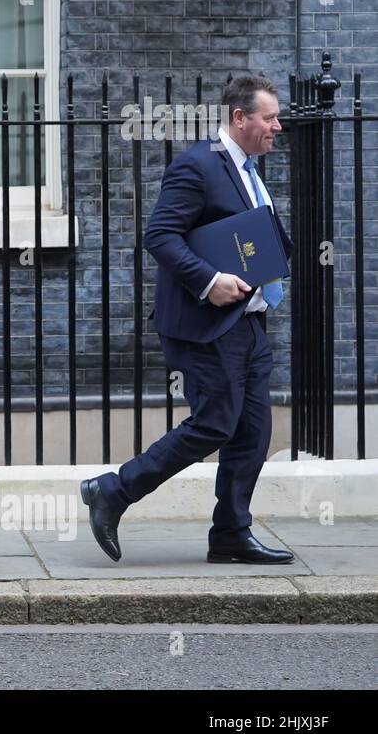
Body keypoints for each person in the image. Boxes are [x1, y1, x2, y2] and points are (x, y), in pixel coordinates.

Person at [81, 75, 295, 565]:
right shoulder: (198, 166)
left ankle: (230, 534)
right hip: (207, 322)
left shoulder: (248, 171)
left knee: (253, 431)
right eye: (269, 117)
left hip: (250, 322)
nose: (277, 127)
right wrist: (210, 281)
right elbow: (160, 236)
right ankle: (113, 490)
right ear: (239, 118)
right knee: (216, 423)